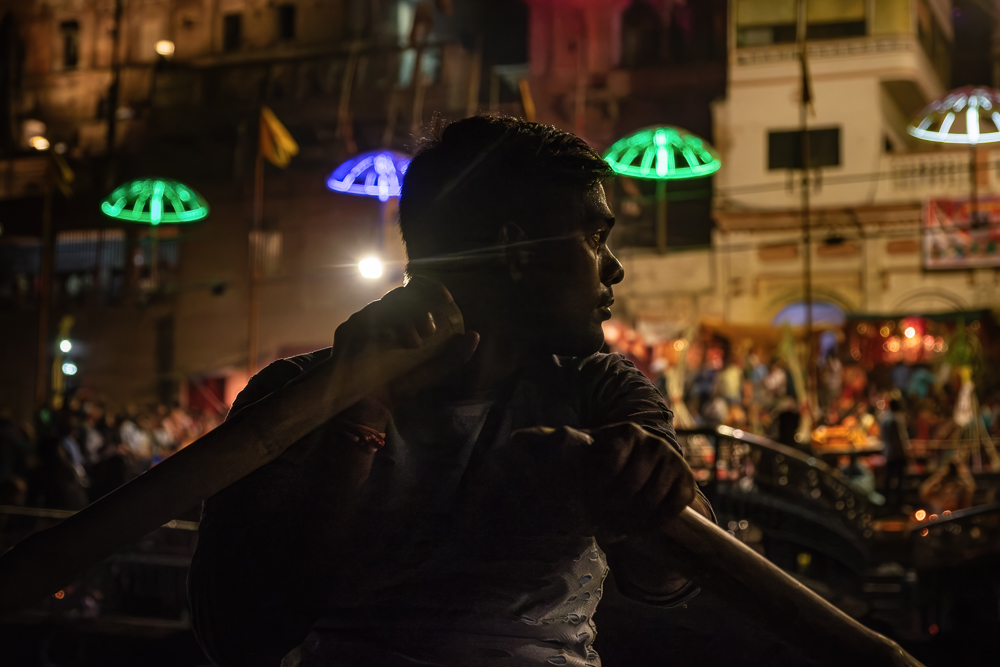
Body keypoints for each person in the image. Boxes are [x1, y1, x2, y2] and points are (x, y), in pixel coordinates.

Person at [188, 116, 713, 667]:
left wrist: (653, 492)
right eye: (594, 237)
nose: (615, 268)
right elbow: (233, 635)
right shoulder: (296, 396)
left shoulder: (603, 391)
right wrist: (357, 416)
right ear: (518, 251)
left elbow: (670, 581)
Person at [879, 398, 912, 508]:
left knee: (888, 478)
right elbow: (902, 438)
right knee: (901, 479)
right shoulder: (897, 419)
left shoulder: (884, 419)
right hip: (898, 453)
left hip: (888, 452)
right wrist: (907, 453)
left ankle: (886, 503)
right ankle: (899, 504)